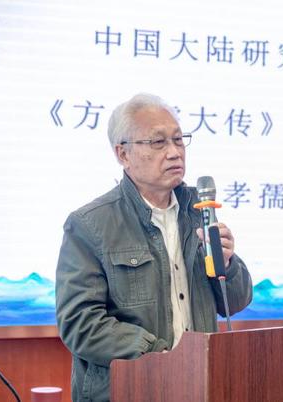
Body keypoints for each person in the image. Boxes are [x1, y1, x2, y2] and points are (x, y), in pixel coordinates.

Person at [55, 93, 253, 402]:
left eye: (179, 140)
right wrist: (160, 356)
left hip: (200, 387)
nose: (174, 152)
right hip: (130, 391)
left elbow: (236, 303)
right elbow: (81, 324)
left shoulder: (199, 211)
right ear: (123, 154)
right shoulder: (90, 224)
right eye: (159, 142)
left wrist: (227, 264)